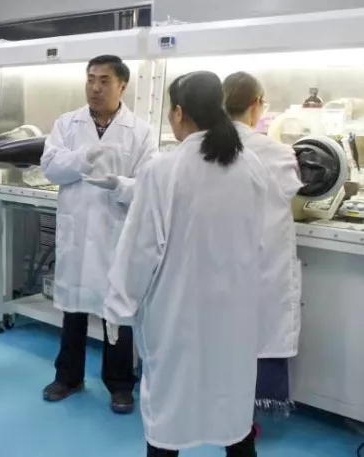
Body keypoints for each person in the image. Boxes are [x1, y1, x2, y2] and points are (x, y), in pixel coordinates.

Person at [104, 70, 268, 456]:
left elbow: (140, 249)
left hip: (179, 314)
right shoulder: (250, 165)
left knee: (170, 412)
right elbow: (258, 241)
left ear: (178, 113)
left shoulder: (165, 169)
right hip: (235, 314)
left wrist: (118, 305)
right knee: (232, 408)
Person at [40, 54, 157, 414]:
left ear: (122, 86)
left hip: (115, 232)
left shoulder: (141, 131)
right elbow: (50, 167)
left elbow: (149, 183)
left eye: (104, 80)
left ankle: (120, 385)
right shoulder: (67, 123)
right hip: (78, 231)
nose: (95, 87)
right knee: (73, 310)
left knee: (117, 313)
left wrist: (119, 185)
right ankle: (68, 377)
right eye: (90, 79)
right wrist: (83, 158)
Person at [223, 72, 302, 426]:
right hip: (262, 262)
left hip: (218, 261)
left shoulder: (202, 147)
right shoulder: (278, 152)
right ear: (256, 106)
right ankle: (251, 413)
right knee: (261, 332)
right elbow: (295, 191)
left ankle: (220, 407)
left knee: (221, 334)